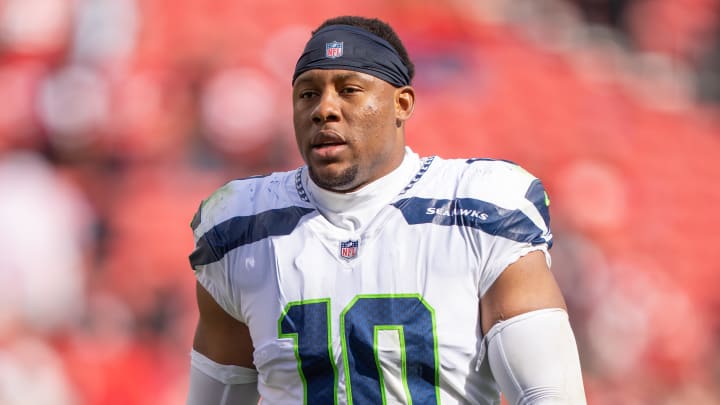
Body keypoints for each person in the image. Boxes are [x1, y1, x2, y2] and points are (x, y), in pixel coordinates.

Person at [186, 15, 587, 405]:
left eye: (349, 90)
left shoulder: (477, 208)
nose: (324, 109)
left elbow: (549, 394)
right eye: (308, 93)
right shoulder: (240, 227)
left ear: (402, 103)